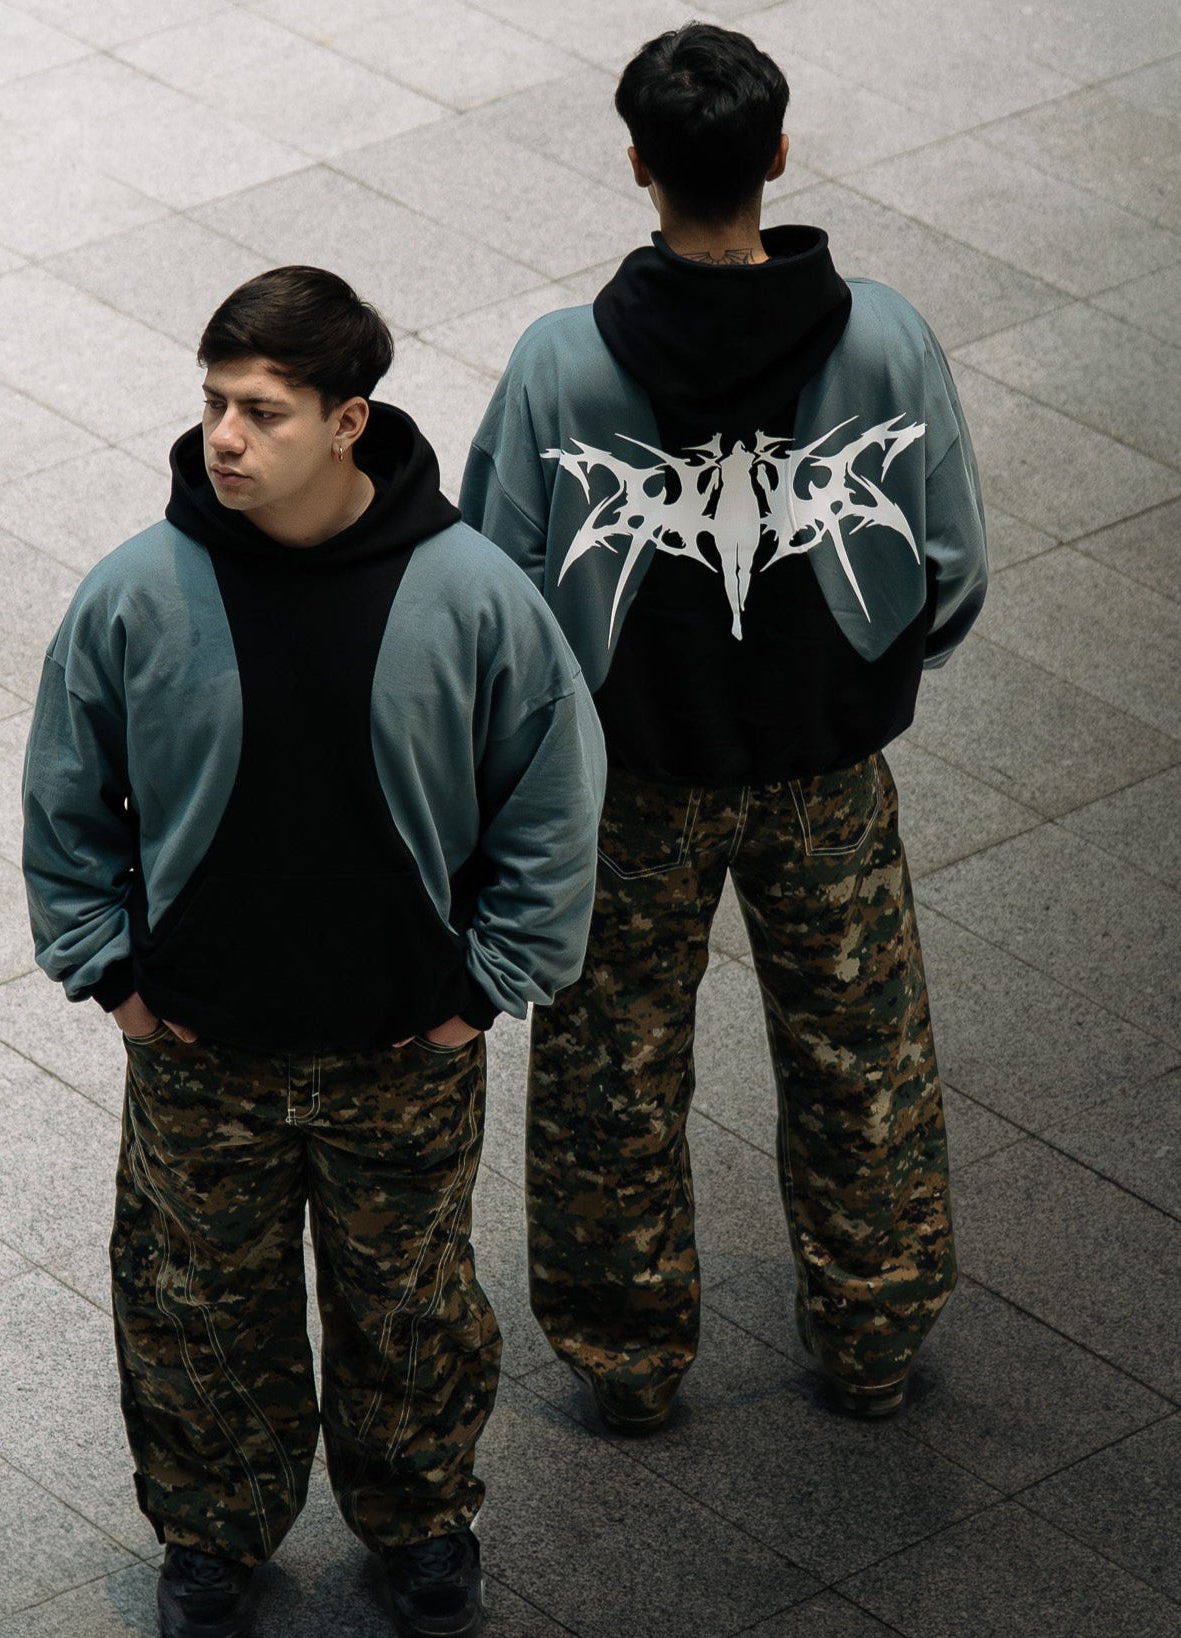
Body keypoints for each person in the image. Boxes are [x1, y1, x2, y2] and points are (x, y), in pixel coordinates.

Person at [22, 266, 605, 1638]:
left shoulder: (468, 594)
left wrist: (481, 992)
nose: (225, 437)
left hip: (403, 1052)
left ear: (350, 422)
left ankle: (421, 1527)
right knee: (195, 1309)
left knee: (410, 1306)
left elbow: (551, 801)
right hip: (201, 1053)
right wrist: (115, 978)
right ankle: (211, 1534)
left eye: (264, 411)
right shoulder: (137, 592)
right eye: (215, 403)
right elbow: (66, 797)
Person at [460, 22, 987, 1433]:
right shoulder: (883, 337)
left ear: (637, 163)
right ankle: (874, 1333)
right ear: (778, 155)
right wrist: (860, 674)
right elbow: (948, 564)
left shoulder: (562, 365)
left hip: (632, 783)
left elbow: (497, 589)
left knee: (612, 1072)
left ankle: (628, 1357)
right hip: (826, 775)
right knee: (860, 1057)